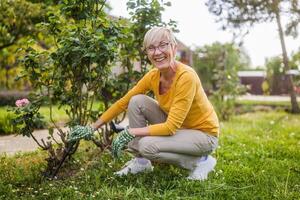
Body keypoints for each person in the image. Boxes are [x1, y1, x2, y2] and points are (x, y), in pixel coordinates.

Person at [91, 27, 219, 181]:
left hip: (203, 135)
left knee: (146, 145)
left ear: (174, 47)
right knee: (136, 101)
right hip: (179, 128)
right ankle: (141, 162)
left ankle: (201, 162)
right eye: (151, 48)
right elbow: (122, 103)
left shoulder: (186, 77)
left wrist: (132, 132)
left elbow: (170, 127)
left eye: (163, 45)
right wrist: (92, 127)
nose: (157, 52)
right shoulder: (153, 76)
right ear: (147, 53)